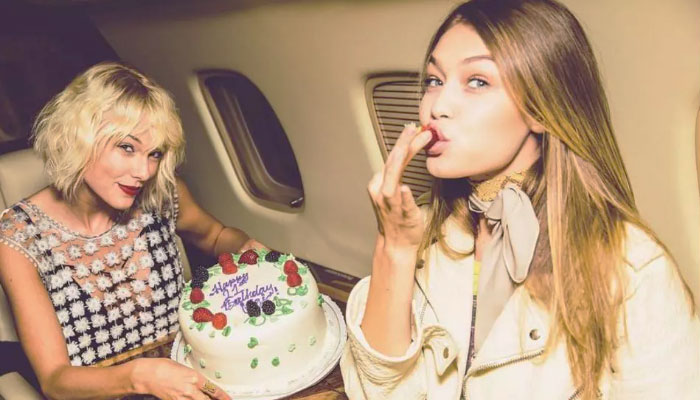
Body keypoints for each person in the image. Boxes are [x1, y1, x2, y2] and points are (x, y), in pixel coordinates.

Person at [340, 0, 700, 399]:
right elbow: (381, 392)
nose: (436, 106)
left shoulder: (634, 271)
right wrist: (394, 249)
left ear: (541, 109)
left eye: (477, 82)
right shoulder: (428, 237)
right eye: (434, 80)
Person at [0, 62, 264, 399]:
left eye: (154, 153)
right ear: (79, 137)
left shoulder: (163, 194)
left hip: (193, 380)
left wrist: (244, 246)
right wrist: (137, 377)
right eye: (127, 147)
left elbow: (215, 236)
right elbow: (56, 381)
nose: (144, 171)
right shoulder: (19, 237)